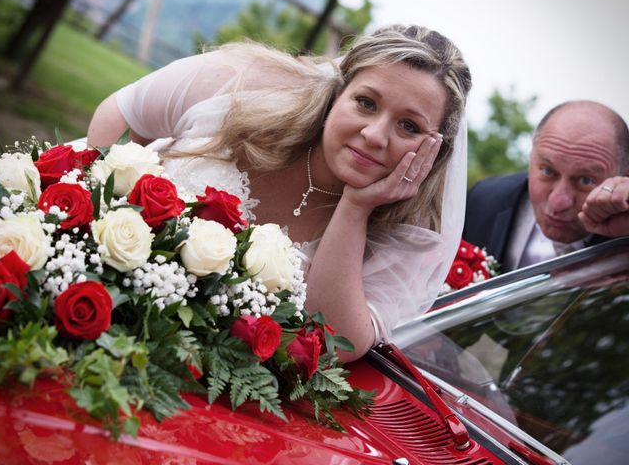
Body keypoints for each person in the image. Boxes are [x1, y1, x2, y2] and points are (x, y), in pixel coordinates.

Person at [87, 25, 472, 361]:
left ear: (435, 149)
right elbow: (124, 112)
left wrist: (356, 207)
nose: (374, 135)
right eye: (365, 103)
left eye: (408, 126)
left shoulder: (409, 238)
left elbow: (336, 344)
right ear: (338, 92)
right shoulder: (244, 82)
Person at [464, 100, 629, 272]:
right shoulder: (482, 201)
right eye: (547, 171)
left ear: (624, 175)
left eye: (585, 180)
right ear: (531, 155)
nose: (558, 202)